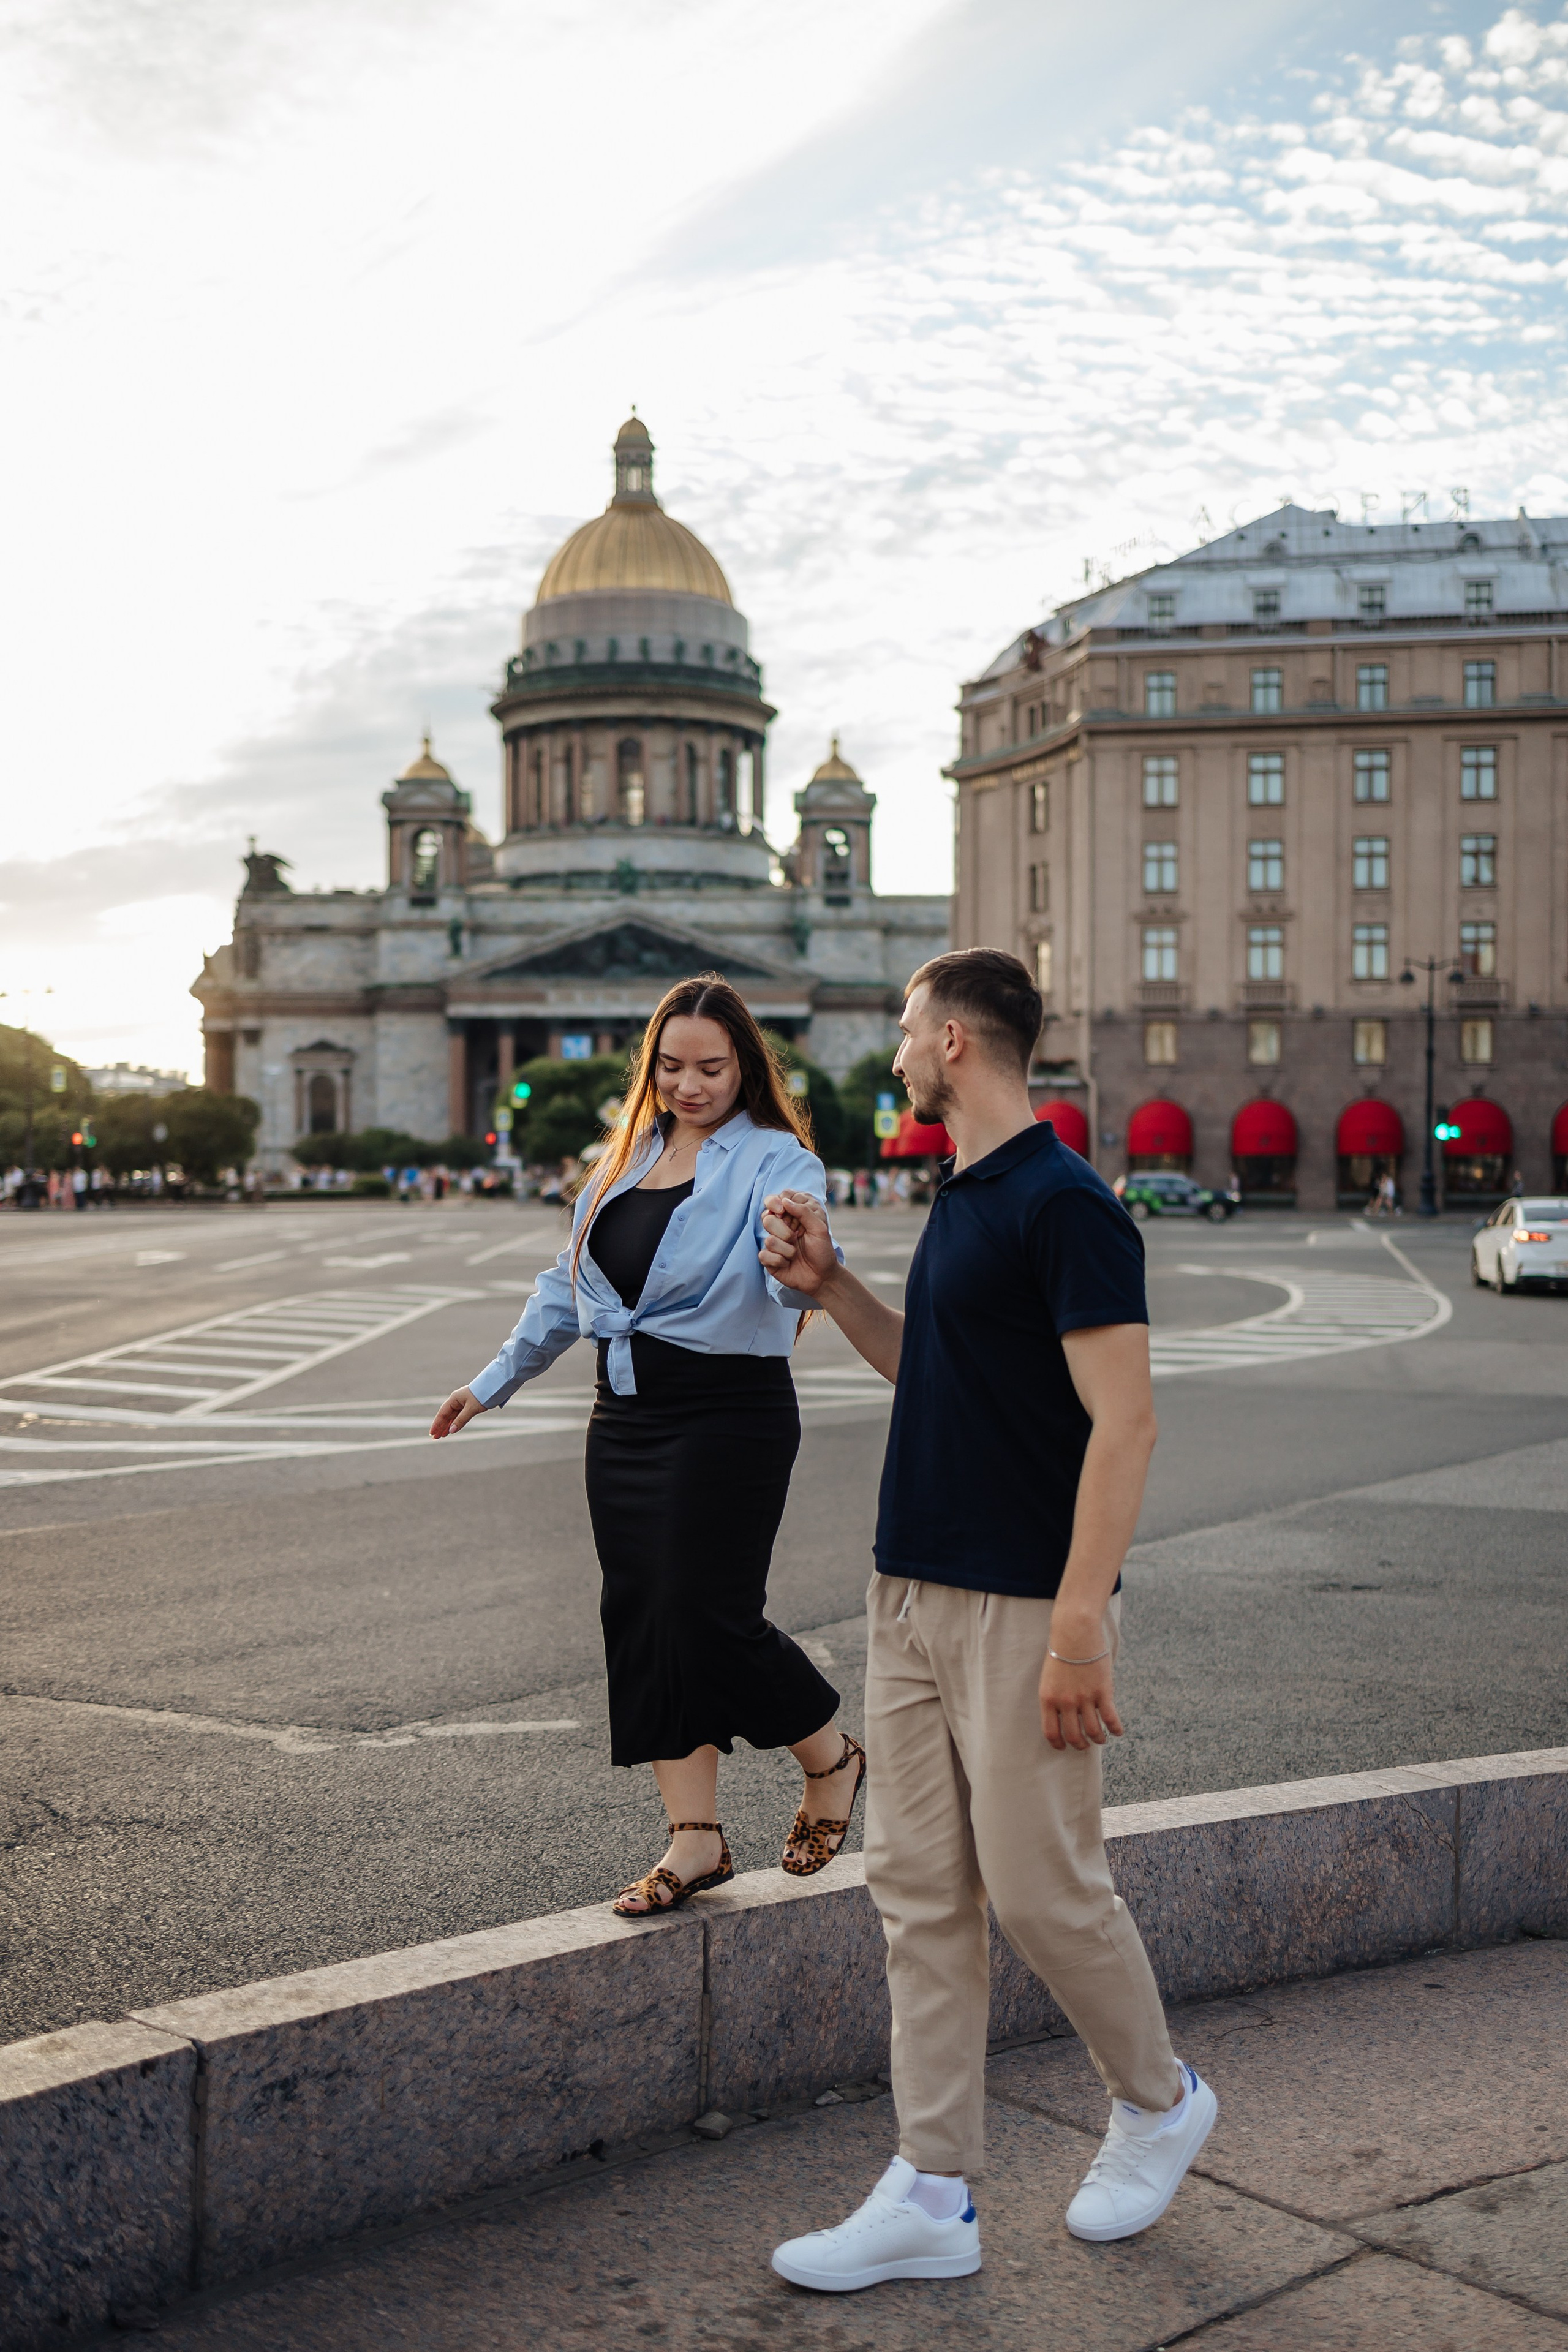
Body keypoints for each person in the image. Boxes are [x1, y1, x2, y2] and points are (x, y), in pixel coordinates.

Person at [759, 947, 1215, 2291]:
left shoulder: (1067, 1204)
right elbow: (933, 1370)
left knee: (1039, 1888)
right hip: (907, 1589)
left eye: (907, 1030)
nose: (896, 1052)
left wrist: (1080, 1625)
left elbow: (1123, 1425)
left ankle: (1156, 2100)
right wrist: (835, 1285)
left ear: (954, 1042)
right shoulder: (961, 1193)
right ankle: (932, 2186)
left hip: (1023, 1603)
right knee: (916, 1894)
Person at [429, 974, 865, 1915]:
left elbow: (795, 1276)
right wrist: (489, 1382)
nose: (688, 1084)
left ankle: (830, 1755)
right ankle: (695, 1840)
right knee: (646, 1615)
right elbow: (566, 1285)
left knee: (708, 1611)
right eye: (670, 1066)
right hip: (623, 1418)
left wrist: (799, 1255)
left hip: (729, 1413)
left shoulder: (776, 1159)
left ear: (746, 1063)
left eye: (710, 1066)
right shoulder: (626, 1157)